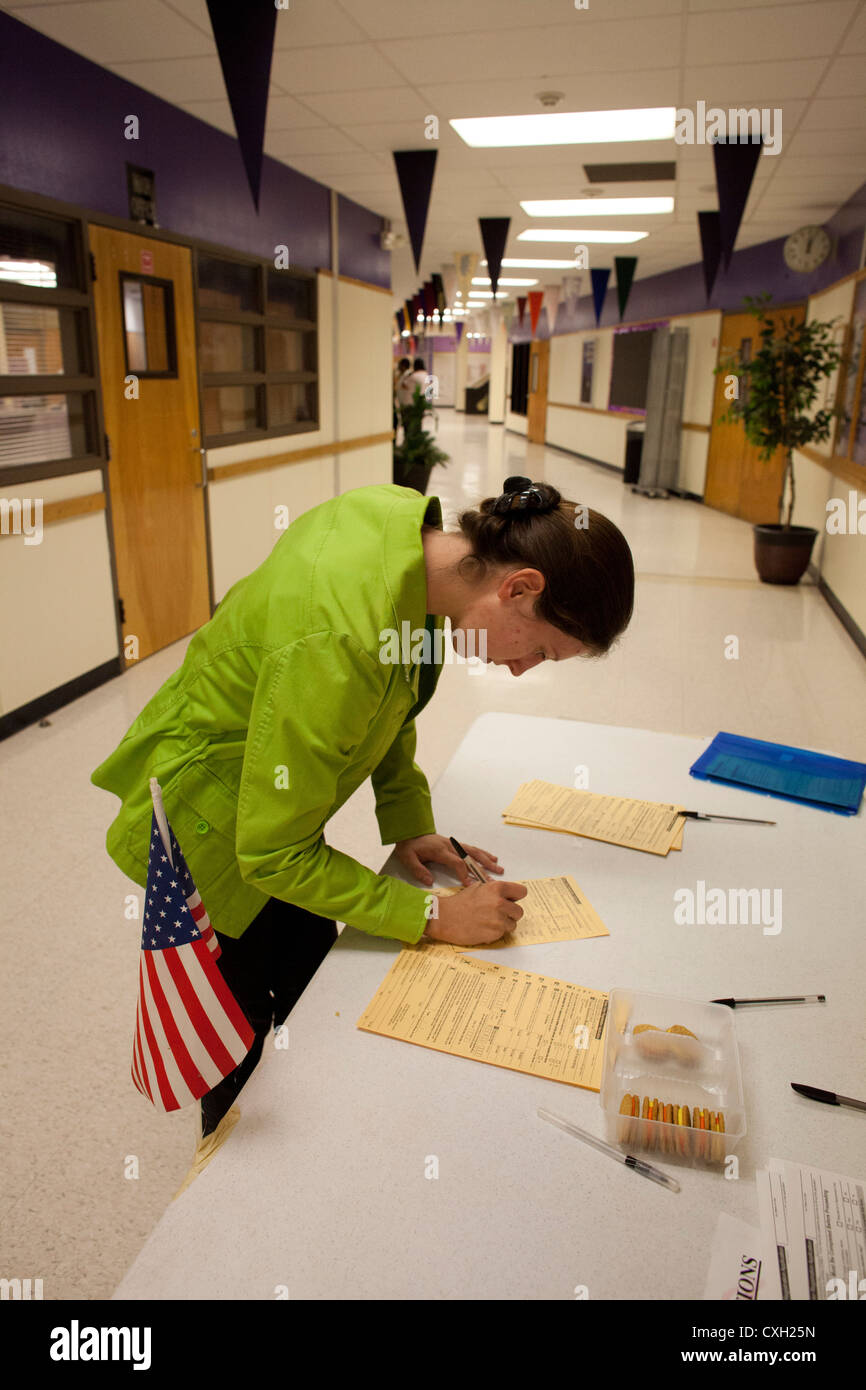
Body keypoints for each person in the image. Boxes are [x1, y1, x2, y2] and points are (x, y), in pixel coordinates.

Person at [91, 475, 634, 1146]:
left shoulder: (415, 549)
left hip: (266, 802)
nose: (522, 671)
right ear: (519, 587)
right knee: (237, 1040)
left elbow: (392, 698)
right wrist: (433, 914)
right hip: (211, 834)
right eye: (541, 648)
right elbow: (271, 855)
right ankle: (229, 1176)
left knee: (316, 992)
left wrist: (408, 821)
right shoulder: (338, 639)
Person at [393, 355, 410, 431]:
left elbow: (407, 388)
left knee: (407, 425)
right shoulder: (402, 375)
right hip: (403, 404)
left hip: (407, 405)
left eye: (399, 365)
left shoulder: (408, 375)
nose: (398, 367)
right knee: (405, 425)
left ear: (403, 366)